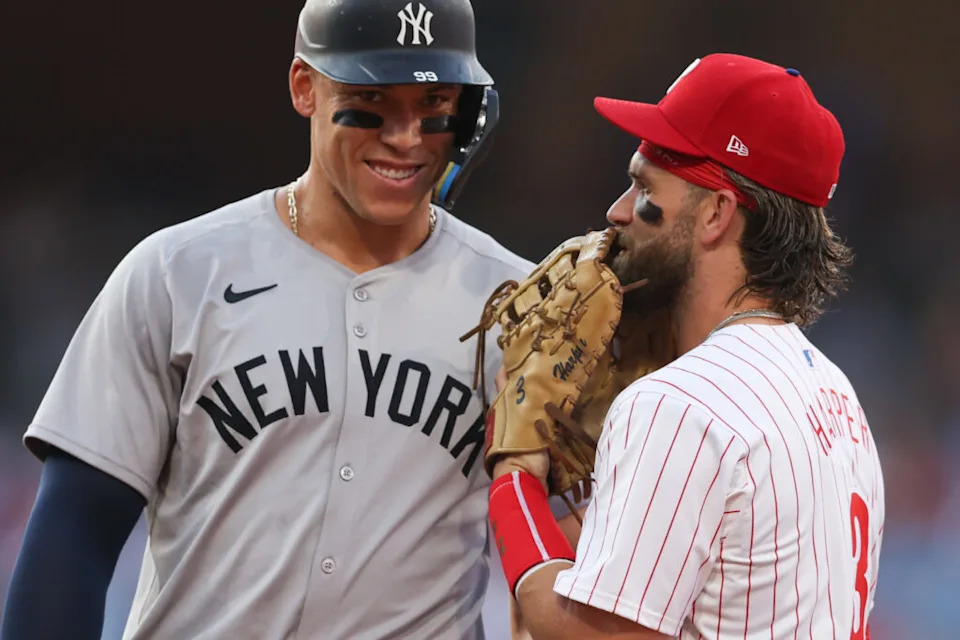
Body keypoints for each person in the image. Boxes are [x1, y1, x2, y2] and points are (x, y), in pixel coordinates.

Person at [0, 1, 533, 638]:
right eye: (372, 99)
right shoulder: (179, 273)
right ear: (304, 87)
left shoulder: (523, 306)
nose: (406, 136)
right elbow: (76, 533)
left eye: (433, 105)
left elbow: (569, 558)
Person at [488, 53, 885, 639]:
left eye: (644, 187)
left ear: (717, 214)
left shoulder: (680, 403)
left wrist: (515, 476)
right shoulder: (835, 394)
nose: (617, 212)